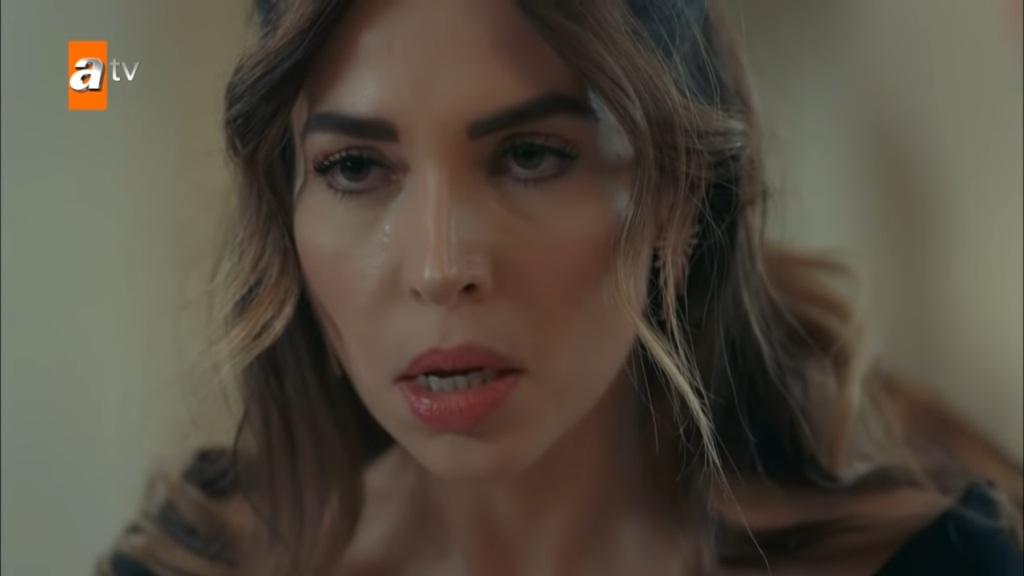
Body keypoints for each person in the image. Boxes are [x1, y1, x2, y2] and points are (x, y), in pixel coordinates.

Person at [96, 0, 1023, 574]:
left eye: (531, 156)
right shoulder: (191, 562)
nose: (439, 268)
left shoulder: (925, 563)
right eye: (354, 168)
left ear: (674, 197)